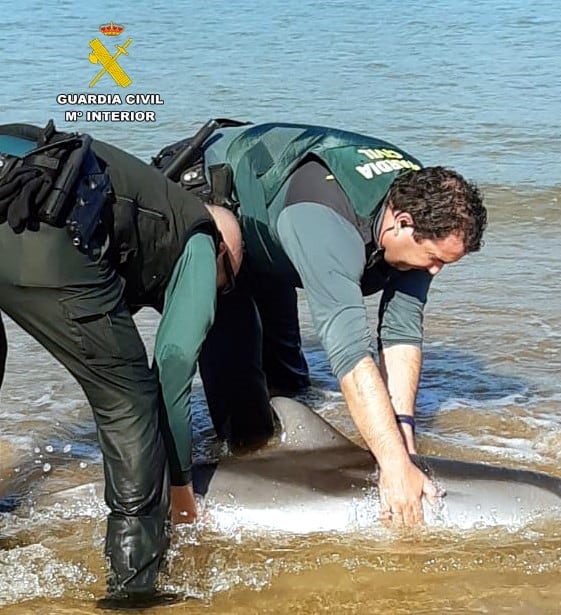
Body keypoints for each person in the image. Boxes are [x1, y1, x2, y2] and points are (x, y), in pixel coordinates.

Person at [155, 121, 487, 527]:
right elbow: (349, 354)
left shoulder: (424, 208)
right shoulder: (325, 225)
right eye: (434, 259)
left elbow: (401, 333)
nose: (434, 272)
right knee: (244, 424)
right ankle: (194, 494)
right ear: (401, 222)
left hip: (274, 220)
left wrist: (403, 442)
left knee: (290, 387)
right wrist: (392, 466)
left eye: (445, 263)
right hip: (217, 211)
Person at [0, 121, 242, 607]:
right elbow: (171, 368)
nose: (216, 296)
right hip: (47, 223)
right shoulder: (197, 234)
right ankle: (135, 586)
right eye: (225, 282)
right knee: (129, 401)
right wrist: (180, 490)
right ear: (221, 249)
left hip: (13, 180)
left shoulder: (146, 196)